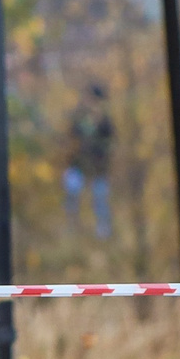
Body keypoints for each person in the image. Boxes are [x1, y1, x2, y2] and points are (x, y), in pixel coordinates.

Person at [64, 83, 115, 241]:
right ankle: (71, 229)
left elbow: (110, 143)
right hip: (78, 165)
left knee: (100, 198)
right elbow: (71, 139)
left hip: (98, 168)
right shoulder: (79, 117)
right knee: (71, 191)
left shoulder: (105, 122)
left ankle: (103, 232)